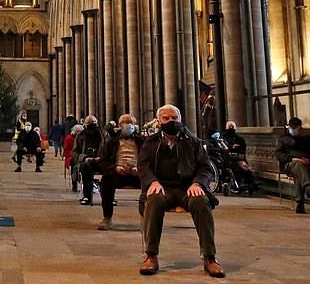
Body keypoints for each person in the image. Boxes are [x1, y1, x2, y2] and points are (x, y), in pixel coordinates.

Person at [139, 104, 223, 278]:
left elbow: (205, 168)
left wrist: (198, 184)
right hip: (163, 187)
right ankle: (151, 255)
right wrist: (152, 182)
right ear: (159, 121)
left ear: (180, 119)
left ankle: (210, 257)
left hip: (187, 187)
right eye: (166, 118)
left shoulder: (193, 142)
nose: (171, 121)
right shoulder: (151, 142)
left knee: (201, 202)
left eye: (174, 118)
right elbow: (143, 165)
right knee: (154, 201)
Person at [93, 115, 145, 230]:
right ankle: (107, 217)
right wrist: (116, 168)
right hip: (117, 173)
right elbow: (103, 162)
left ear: (135, 125)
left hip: (137, 174)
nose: (128, 125)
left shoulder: (143, 141)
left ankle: (147, 218)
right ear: (119, 125)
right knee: (106, 181)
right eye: (125, 122)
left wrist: (139, 169)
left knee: (151, 182)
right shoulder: (112, 142)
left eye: (131, 122)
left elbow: (150, 161)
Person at [276, 116, 310, 214]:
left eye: (295, 128)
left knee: (299, 172)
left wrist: (309, 161)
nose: (293, 130)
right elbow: (279, 154)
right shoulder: (284, 139)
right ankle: (308, 188)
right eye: (291, 128)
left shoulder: (309, 140)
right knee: (298, 164)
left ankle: (300, 202)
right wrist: (291, 159)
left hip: (308, 167)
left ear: (300, 128)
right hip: (290, 165)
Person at [77, 115, 109, 205]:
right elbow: (75, 152)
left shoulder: (104, 135)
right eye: (89, 124)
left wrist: (101, 157)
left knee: (110, 170)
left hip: (102, 160)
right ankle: (87, 196)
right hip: (88, 161)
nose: (91, 126)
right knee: (85, 167)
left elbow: (110, 149)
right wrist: (84, 157)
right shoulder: (81, 136)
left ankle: (108, 197)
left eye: (93, 124)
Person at [222, 121, 258, 190]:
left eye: (232, 127)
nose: (231, 128)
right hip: (228, 159)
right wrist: (231, 148)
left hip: (237, 157)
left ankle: (251, 182)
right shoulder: (223, 138)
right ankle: (239, 182)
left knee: (245, 166)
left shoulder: (239, 138)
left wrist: (237, 148)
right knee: (235, 167)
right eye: (230, 127)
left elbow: (242, 147)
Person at [64, 124, 83, 191]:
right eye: (78, 131)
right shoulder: (69, 138)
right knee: (74, 166)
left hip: (80, 156)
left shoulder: (82, 138)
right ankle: (74, 183)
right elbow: (66, 150)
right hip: (71, 157)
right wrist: (74, 155)